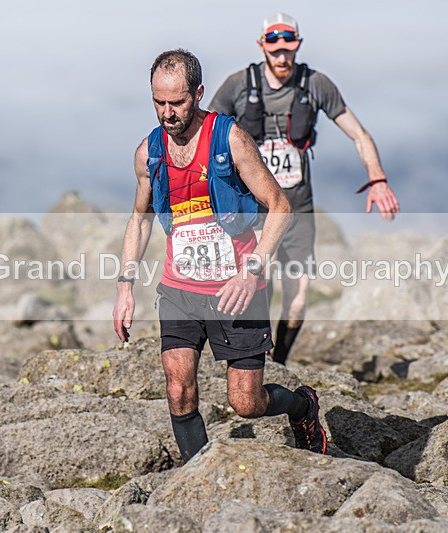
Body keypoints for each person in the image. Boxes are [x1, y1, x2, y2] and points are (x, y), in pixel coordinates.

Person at [112, 49, 327, 462]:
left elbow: (280, 207)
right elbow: (139, 219)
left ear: (198, 94)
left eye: (177, 102)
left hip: (236, 290)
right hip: (179, 290)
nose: (168, 113)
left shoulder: (230, 139)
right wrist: (125, 286)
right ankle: (197, 477)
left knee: (245, 403)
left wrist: (252, 271)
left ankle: (302, 407)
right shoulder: (149, 153)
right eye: (159, 102)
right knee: (178, 390)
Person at [209, 12, 400, 365]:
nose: (282, 56)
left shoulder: (316, 85)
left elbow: (360, 135)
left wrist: (378, 179)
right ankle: (253, 361)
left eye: (289, 47)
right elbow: (204, 135)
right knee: (253, 284)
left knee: (298, 294)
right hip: (252, 209)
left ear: (298, 44)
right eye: (274, 47)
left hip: (297, 207)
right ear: (262, 46)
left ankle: (279, 360)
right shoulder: (238, 85)